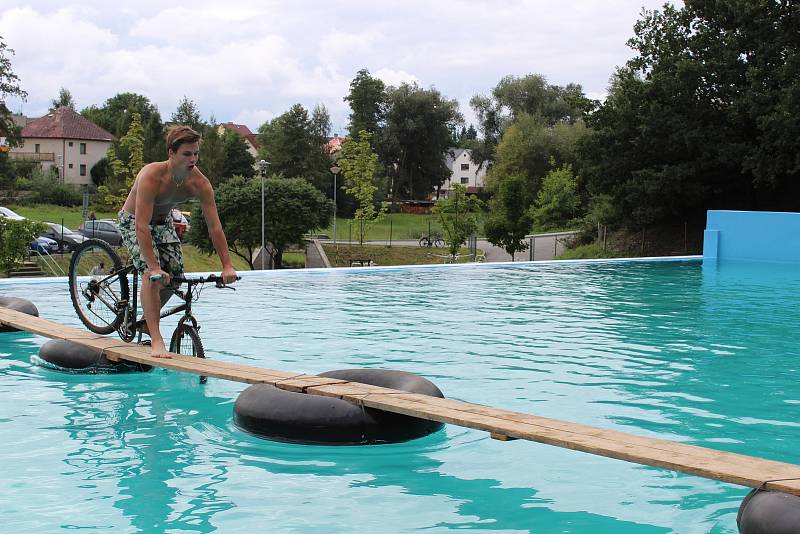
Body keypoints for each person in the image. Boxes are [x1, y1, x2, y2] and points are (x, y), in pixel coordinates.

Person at [119, 125, 237, 358]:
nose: (192, 159)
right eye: (186, 154)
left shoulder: (200, 184)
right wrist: (153, 266)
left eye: (195, 154)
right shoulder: (151, 176)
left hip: (164, 223)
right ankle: (156, 339)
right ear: (171, 153)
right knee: (152, 275)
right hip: (134, 221)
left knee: (175, 276)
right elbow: (141, 226)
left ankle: (145, 319)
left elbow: (215, 227)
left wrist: (227, 265)